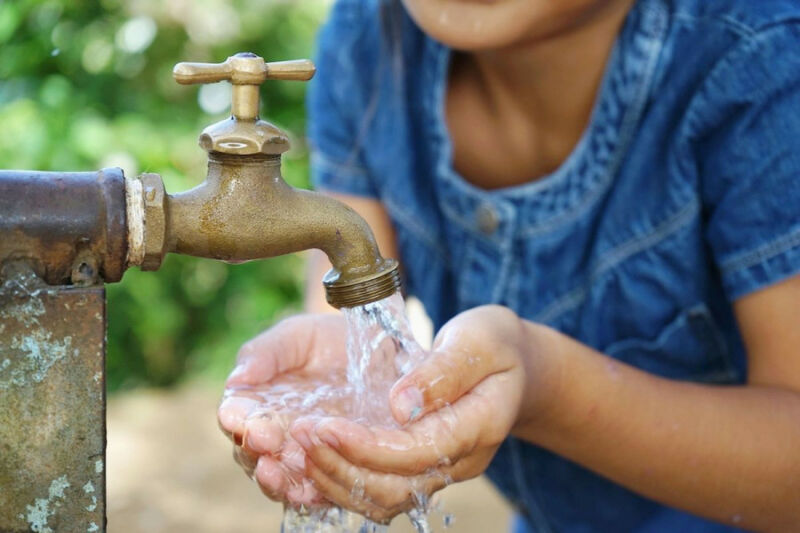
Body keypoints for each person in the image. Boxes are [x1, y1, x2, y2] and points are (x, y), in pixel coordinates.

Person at [217, 0, 800, 530]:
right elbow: (352, 297)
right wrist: (335, 396)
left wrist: (547, 385)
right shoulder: (368, 40)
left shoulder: (761, 59)